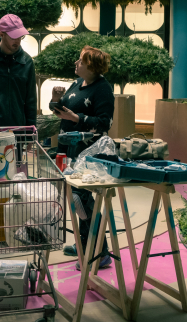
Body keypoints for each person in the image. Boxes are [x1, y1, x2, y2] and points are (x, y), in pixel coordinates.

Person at [51, 45, 115, 270]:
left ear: (91, 66)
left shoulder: (102, 89)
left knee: (84, 201)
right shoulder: (78, 83)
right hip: (69, 151)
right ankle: (84, 244)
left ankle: (100, 252)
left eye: (80, 60)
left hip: (87, 154)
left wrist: (77, 119)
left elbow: (104, 123)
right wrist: (55, 100)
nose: (76, 63)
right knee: (76, 199)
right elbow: (63, 111)